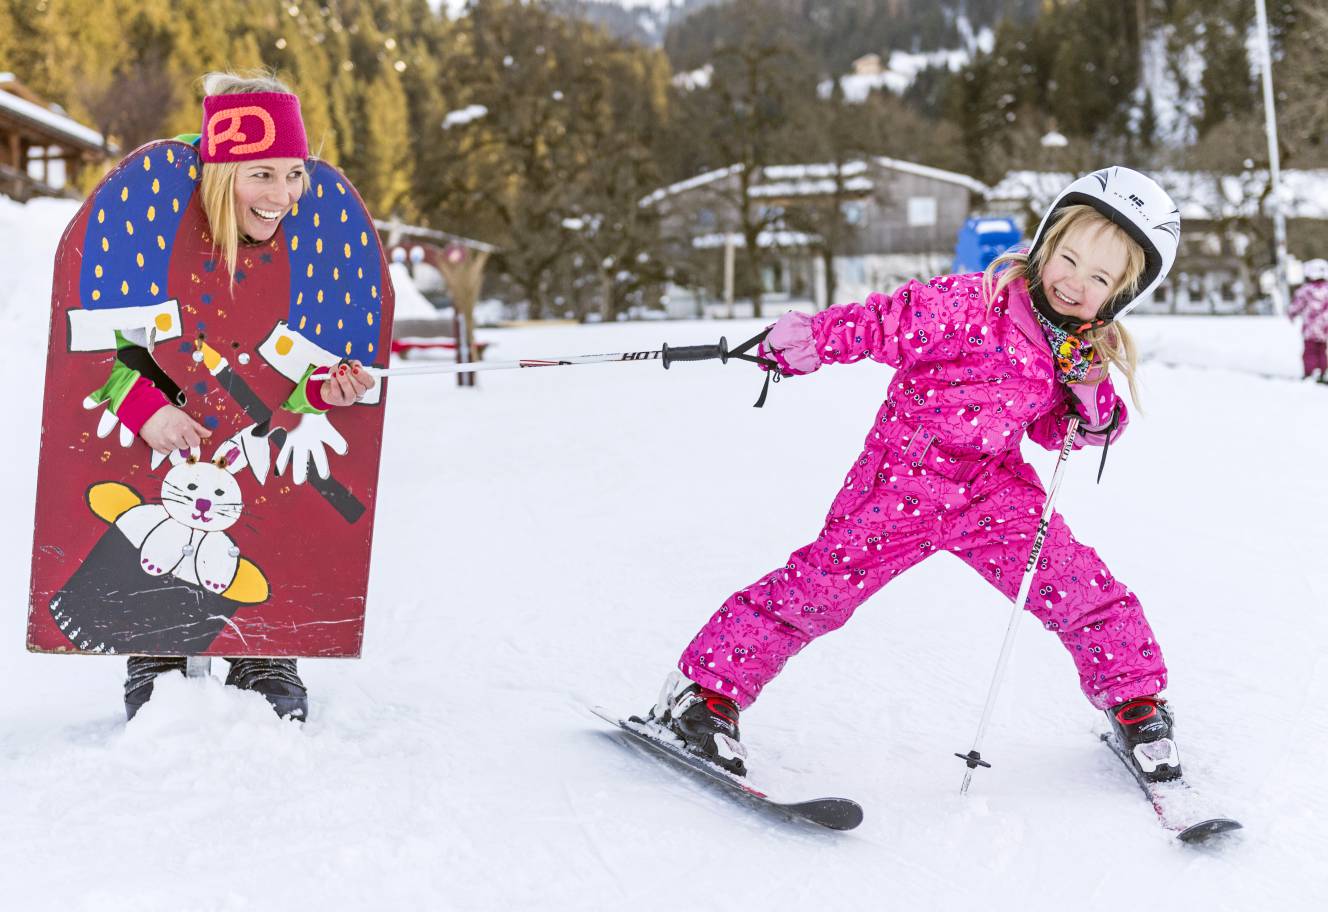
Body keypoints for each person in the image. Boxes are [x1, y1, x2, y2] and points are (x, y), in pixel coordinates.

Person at [640, 167, 1186, 784]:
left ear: (1119, 295)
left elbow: (1056, 434)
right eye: (1069, 258)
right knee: (817, 590)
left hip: (994, 494)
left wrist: (1091, 399)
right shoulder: (966, 303)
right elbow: (881, 323)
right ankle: (702, 695)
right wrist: (813, 339)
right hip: (901, 481)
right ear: (1045, 243)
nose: (1074, 282)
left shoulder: (1075, 350)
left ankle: (1136, 701)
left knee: (1079, 586)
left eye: (1099, 278)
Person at [90, 72, 376, 720]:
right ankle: (155, 648)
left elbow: (295, 368)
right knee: (156, 520)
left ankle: (266, 646)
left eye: (294, 174)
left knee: (276, 502)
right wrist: (145, 409)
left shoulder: (303, 252)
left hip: (247, 436)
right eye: (263, 175)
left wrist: (321, 393)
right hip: (167, 426)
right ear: (220, 175)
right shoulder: (152, 234)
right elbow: (97, 351)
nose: (284, 195)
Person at [1289, 258, 1328, 381]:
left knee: (1310, 351)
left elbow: (1296, 305)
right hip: (1325, 327)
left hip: (1310, 327)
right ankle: (1322, 372)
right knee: (1322, 350)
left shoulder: (1305, 290)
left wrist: (1292, 314)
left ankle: (1309, 372)